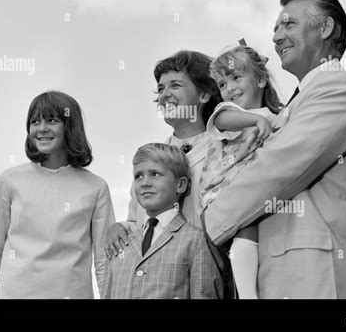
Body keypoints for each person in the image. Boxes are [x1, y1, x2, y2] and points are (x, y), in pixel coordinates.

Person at [203, 0, 346, 298]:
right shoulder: (296, 104)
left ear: (325, 28)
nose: (277, 37)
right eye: (275, 29)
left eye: (288, 24)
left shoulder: (339, 88)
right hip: (276, 275)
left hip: (312, 276)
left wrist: (208, 222)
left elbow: (276, 169)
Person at [0, 91, 116, 298]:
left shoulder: (96, 187)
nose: (41, 129)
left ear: (70, 126)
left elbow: (104, 263)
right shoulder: (9, 181)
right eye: (35, 121)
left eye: (51, 120)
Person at [104, 51, 221, 257]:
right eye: (160, 88)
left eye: (175, 85)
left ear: (204, 94)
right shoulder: (149, 162)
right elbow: (138, 224)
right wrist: (119, 228)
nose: (164, 94)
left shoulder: (225, 148)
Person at [199, 45, 283, 298]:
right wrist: (256, 120)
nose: (230, 88)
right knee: (245, 232)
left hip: (255, 192)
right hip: (222, 193)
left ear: (260, 79)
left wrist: (267, 119)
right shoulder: (229, 113)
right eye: (222, 84)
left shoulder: (277, 115)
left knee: (256, 238)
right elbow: (221, 121)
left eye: (236, 78)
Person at [102, 143, 224, 299]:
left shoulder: (196, 241)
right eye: (138, 176)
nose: (145, 182)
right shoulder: (119, 244)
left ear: (180, 185)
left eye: (155, 174)